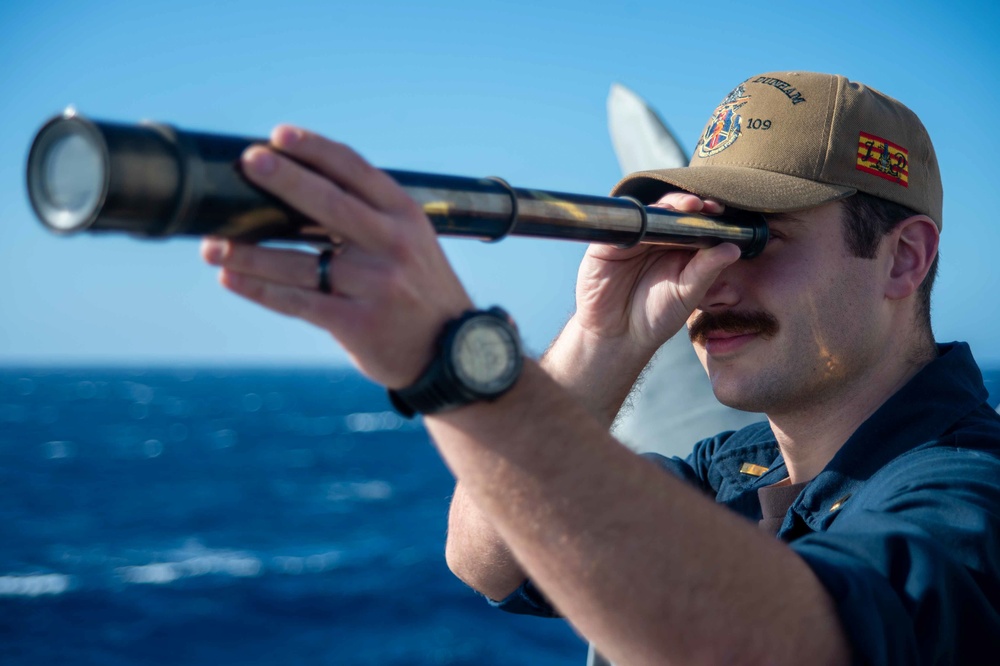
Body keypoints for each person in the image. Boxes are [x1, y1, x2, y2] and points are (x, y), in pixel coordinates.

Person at [200, 71, 1000, 665]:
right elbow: (489, 558)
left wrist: (455, 360)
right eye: (704, 239)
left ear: (903, 259)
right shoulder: (736, 466)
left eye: (760, 239)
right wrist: (602, 337)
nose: (715, 277)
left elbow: (784, 642)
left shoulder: (970, 492)